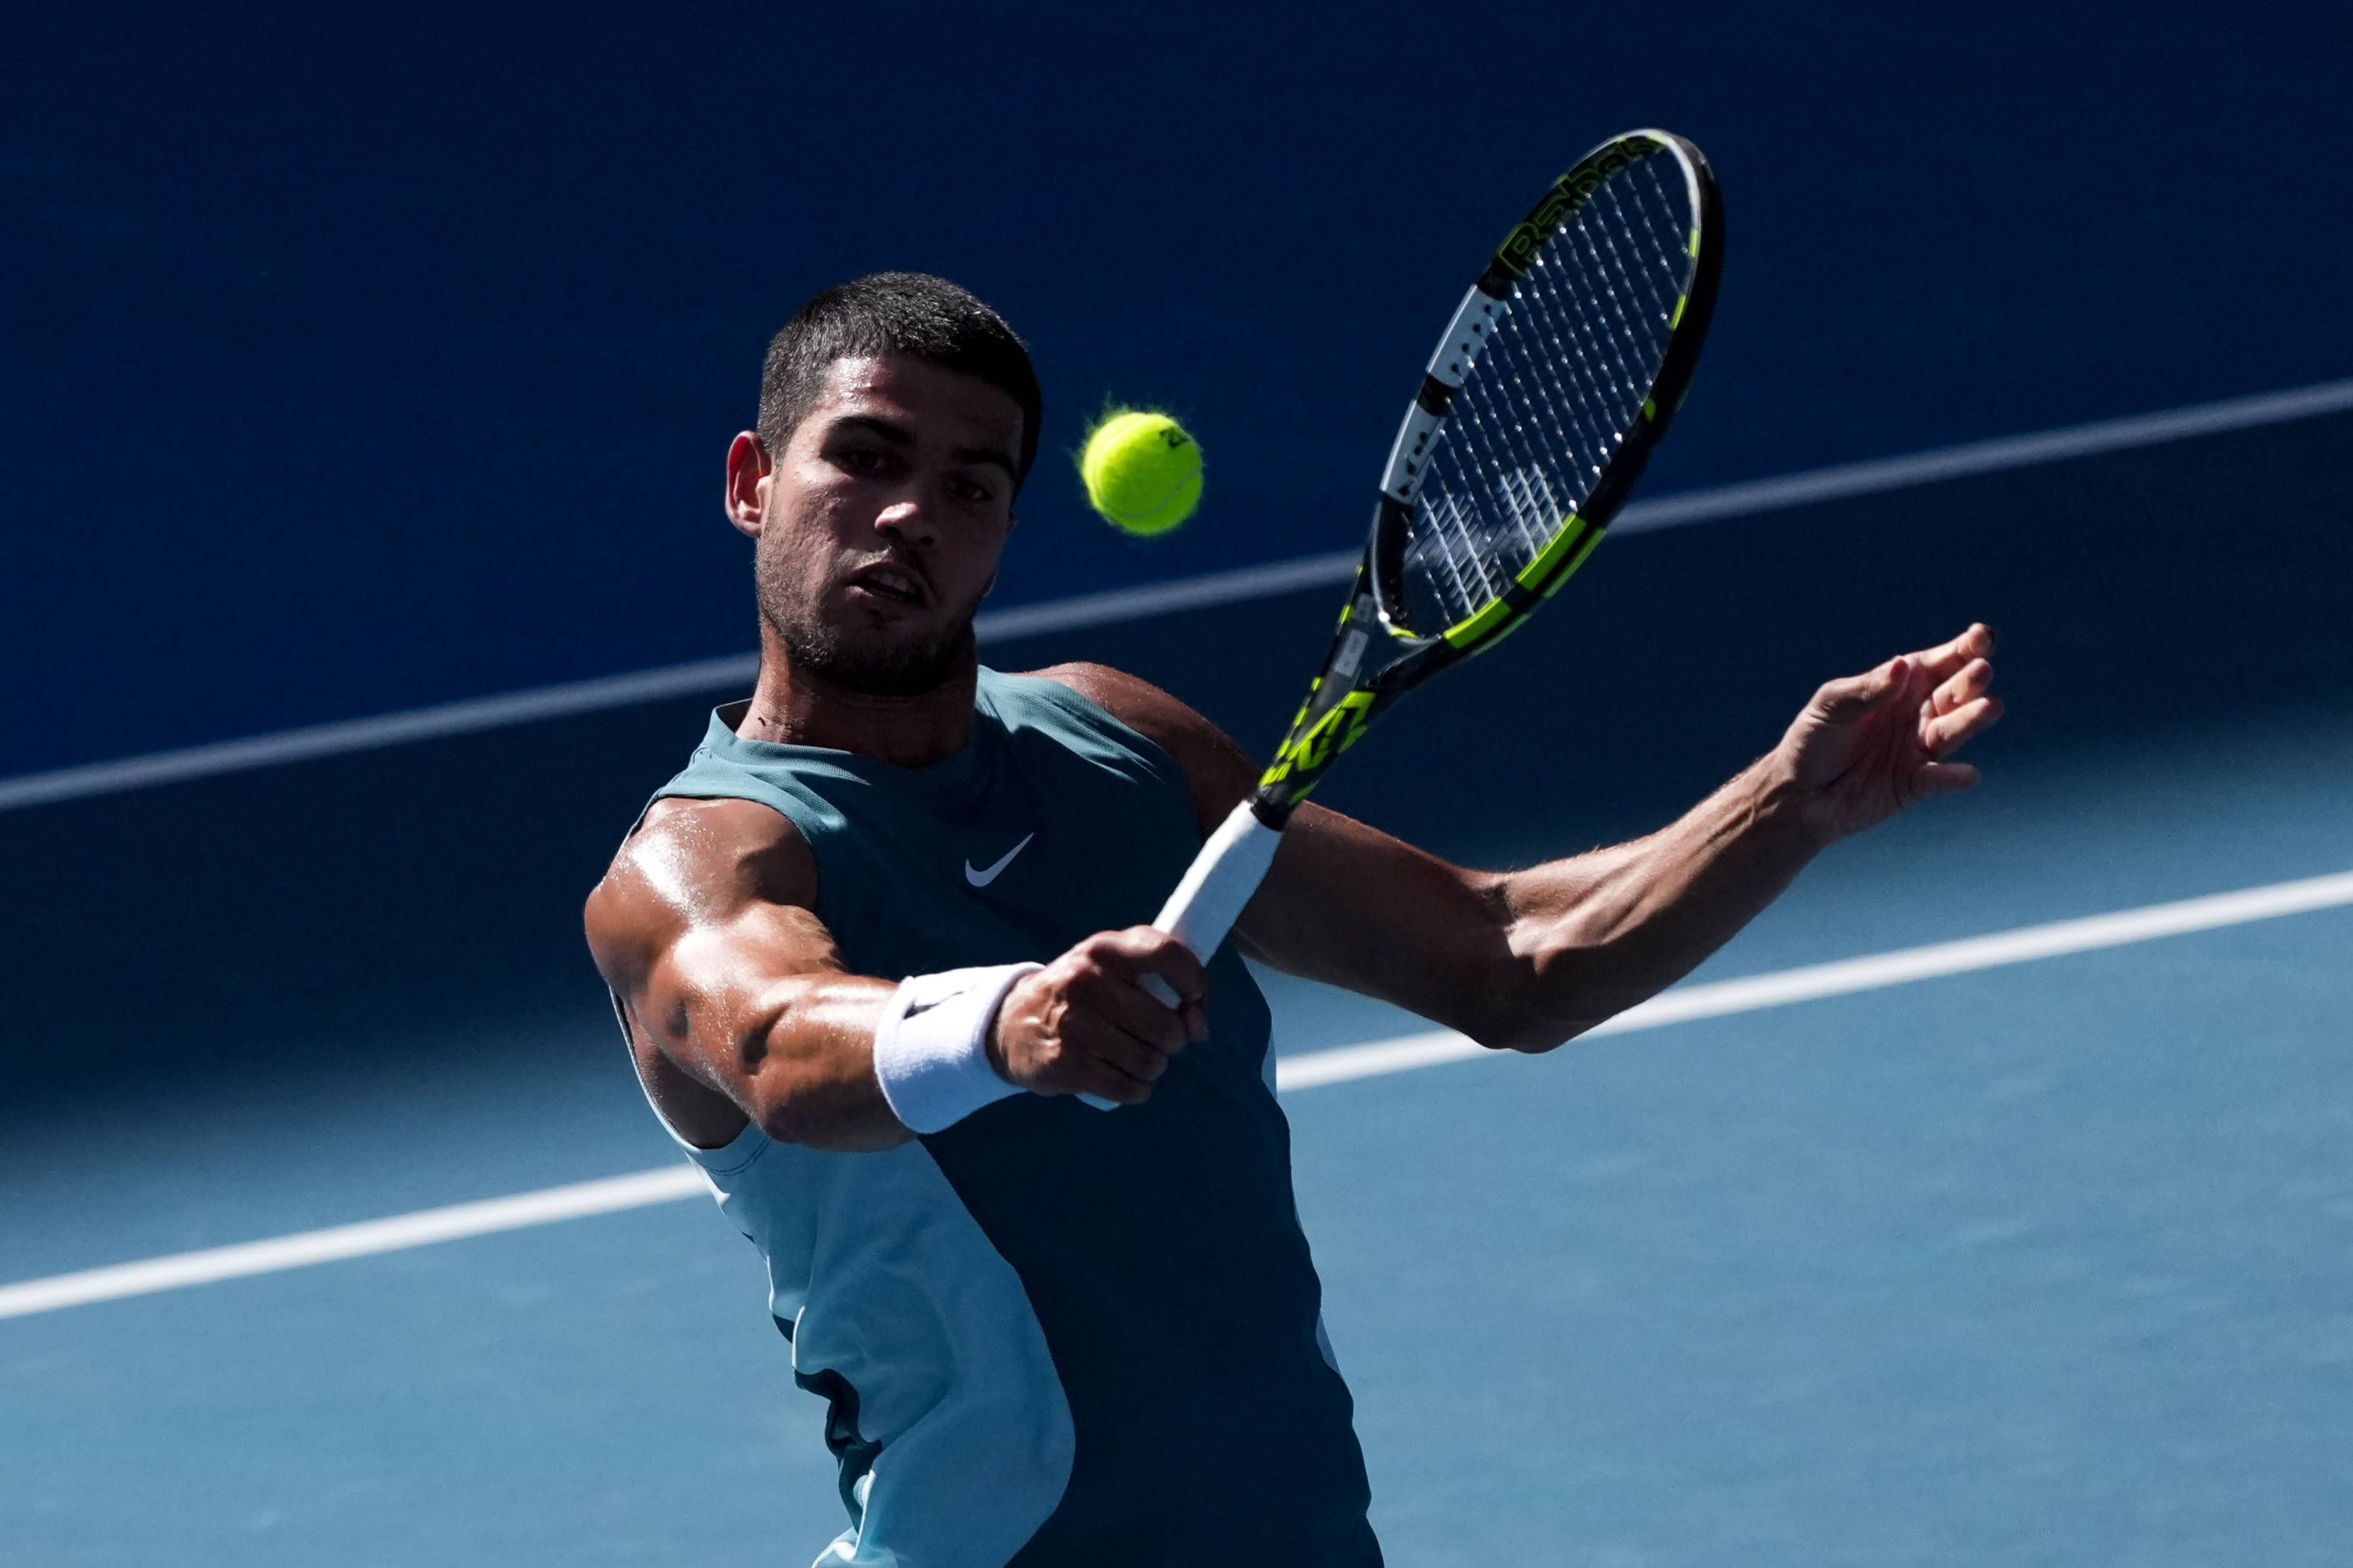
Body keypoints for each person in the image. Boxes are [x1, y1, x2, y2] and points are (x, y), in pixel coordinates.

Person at [583, 271, 2003, 1567]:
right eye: (868, 456)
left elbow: (1509, 959)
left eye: (971, 485)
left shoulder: (1115, 740)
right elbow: (778, 1038)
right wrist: (1008, 1023)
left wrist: (1786, 804)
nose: (912, 516)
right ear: (755, 481)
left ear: (1007, 528)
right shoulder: (693, 864)